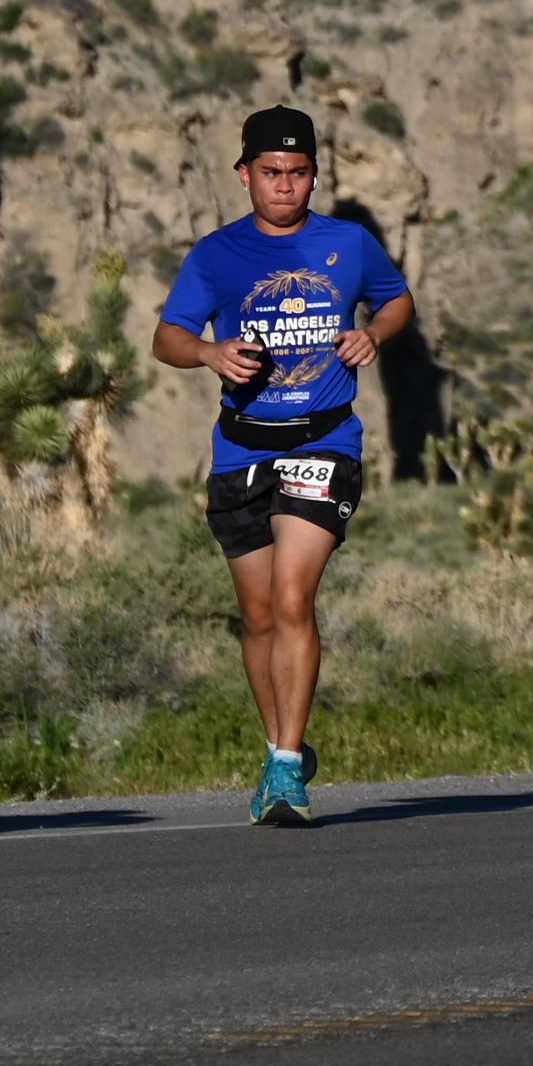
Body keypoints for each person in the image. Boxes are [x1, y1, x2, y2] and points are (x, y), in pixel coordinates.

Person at [152, 107, 413, 828]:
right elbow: (167, 337)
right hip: (242, 449)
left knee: (294, 598)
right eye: (271, 172)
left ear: (315, 176)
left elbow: (397, 301)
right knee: (260, 615)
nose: (285, 185)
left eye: (298, 173)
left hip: (324, 443)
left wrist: (373, 333)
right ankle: (279, 749)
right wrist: (209, 353)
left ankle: (289, 766)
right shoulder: (216, 254)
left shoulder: (348, 243)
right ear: (245, 174)